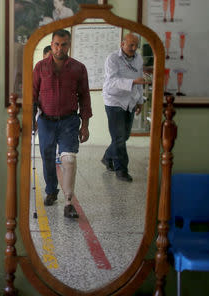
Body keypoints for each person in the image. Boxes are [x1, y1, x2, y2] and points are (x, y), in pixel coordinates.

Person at [33, 29, 92, 218]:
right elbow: (33, 95)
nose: (60, 48)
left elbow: (85, 97)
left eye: (64, 44)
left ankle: (68, 202)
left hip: (69, 120)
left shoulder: (78, 68)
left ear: (69, 45)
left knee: (69, 159)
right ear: (52, 45)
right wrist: (31, 119)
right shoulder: (40, 67)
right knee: (48, 158)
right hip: (46, 121)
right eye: (56, 44)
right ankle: (51, 191)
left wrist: (85, 125)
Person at [101, 33, 148, 182]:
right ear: (122, 44)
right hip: (114, 101)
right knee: (119, 138)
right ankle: (121, 170)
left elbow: (140, 82)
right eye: (130, 45)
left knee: (124, 136)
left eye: (136, 45)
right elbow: (111, 83)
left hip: (130, 101)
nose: (133, 48)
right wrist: (133, 82)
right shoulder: (113, 59)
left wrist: (140, 100)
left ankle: (107, 157)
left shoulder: (138, 59)